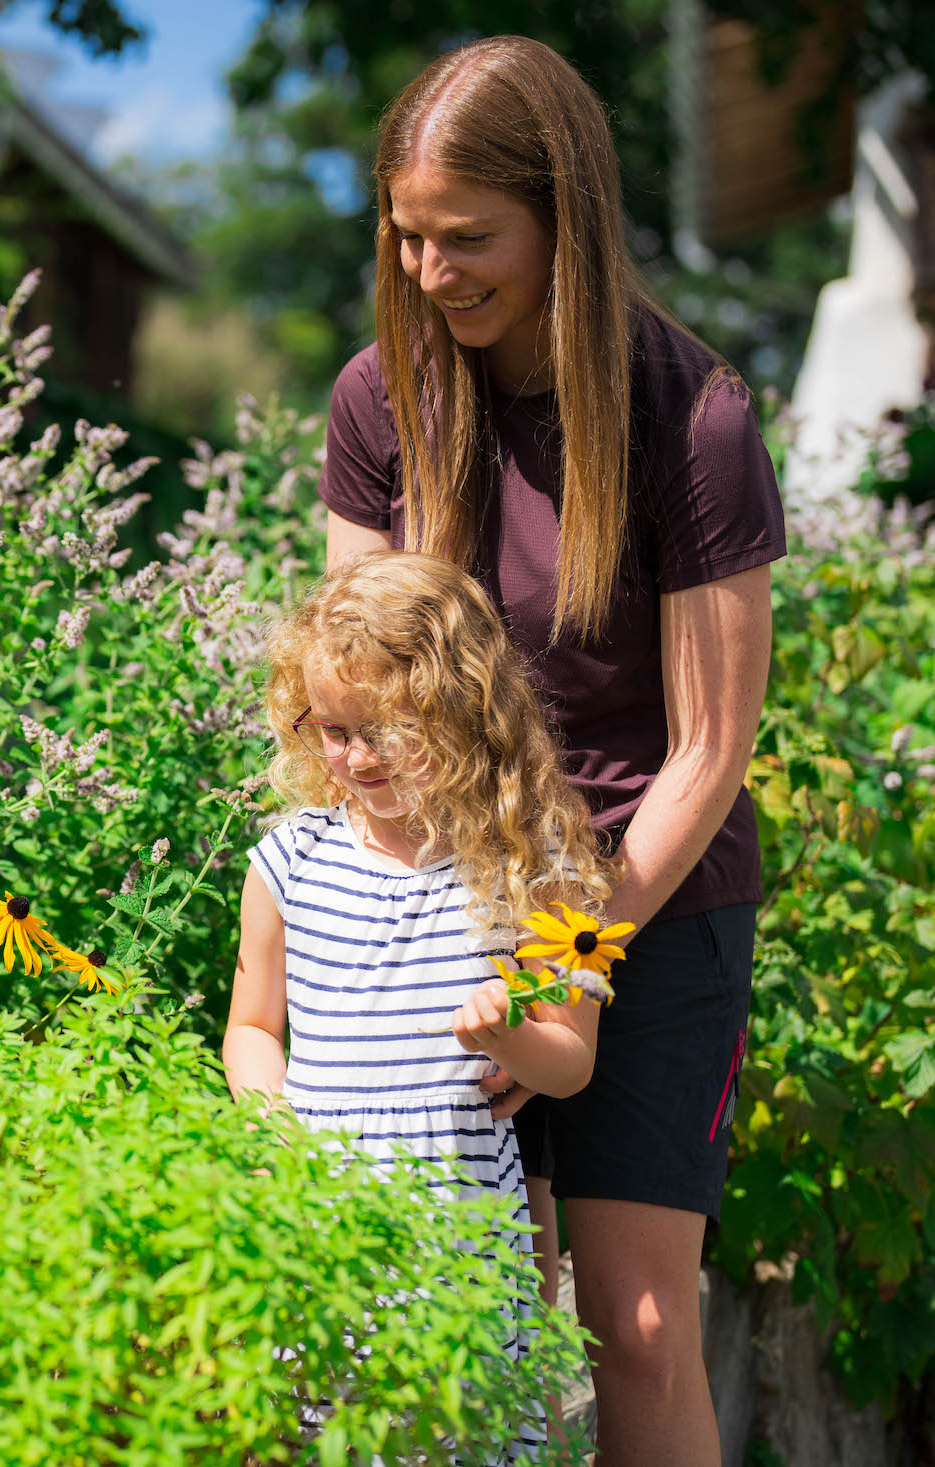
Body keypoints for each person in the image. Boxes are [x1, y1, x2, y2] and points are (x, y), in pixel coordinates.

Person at [317, 35, 785, 1467]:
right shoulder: (381, 397)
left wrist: (555, 958)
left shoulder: (689, 416)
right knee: (465, 1321)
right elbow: (355, 675)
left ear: (563, 221)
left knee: (636, 1332)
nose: (433, 273)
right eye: (407, 236)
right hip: (447, 912)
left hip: (646, 907)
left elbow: (706, 749)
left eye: (470, 239)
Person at [225, 550, 619, 1464]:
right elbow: (252, 1025)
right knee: (323, 1433)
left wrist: (512, 1037)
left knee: (464, 1435)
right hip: (321, 1219)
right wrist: (273, 1125)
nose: (355, 758)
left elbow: (573, 1058)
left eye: (386, 732)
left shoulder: (530, 863)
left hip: (460, 1231)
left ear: (463, 713)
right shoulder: (289, 863)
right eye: (332, 730)